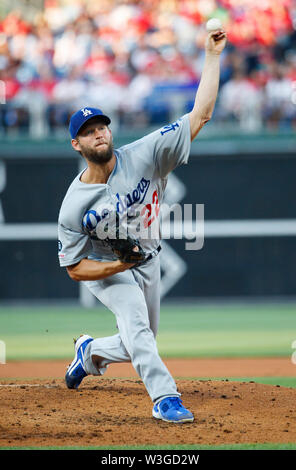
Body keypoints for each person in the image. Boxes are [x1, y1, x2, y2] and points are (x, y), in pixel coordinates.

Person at [58, 29, 227, 423]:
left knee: (142, 338)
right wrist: (118, 267)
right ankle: (165, 398)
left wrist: (212, 55)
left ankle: (91, 352)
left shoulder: (146, 153)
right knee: (135, 321)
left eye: (101, 126)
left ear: (110, 131)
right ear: (76, 145)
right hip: (108, 268)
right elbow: (75, 268)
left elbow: (200, 114)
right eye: (87, 131)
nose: (97, 133)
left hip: (147, 257)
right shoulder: (73, 206)